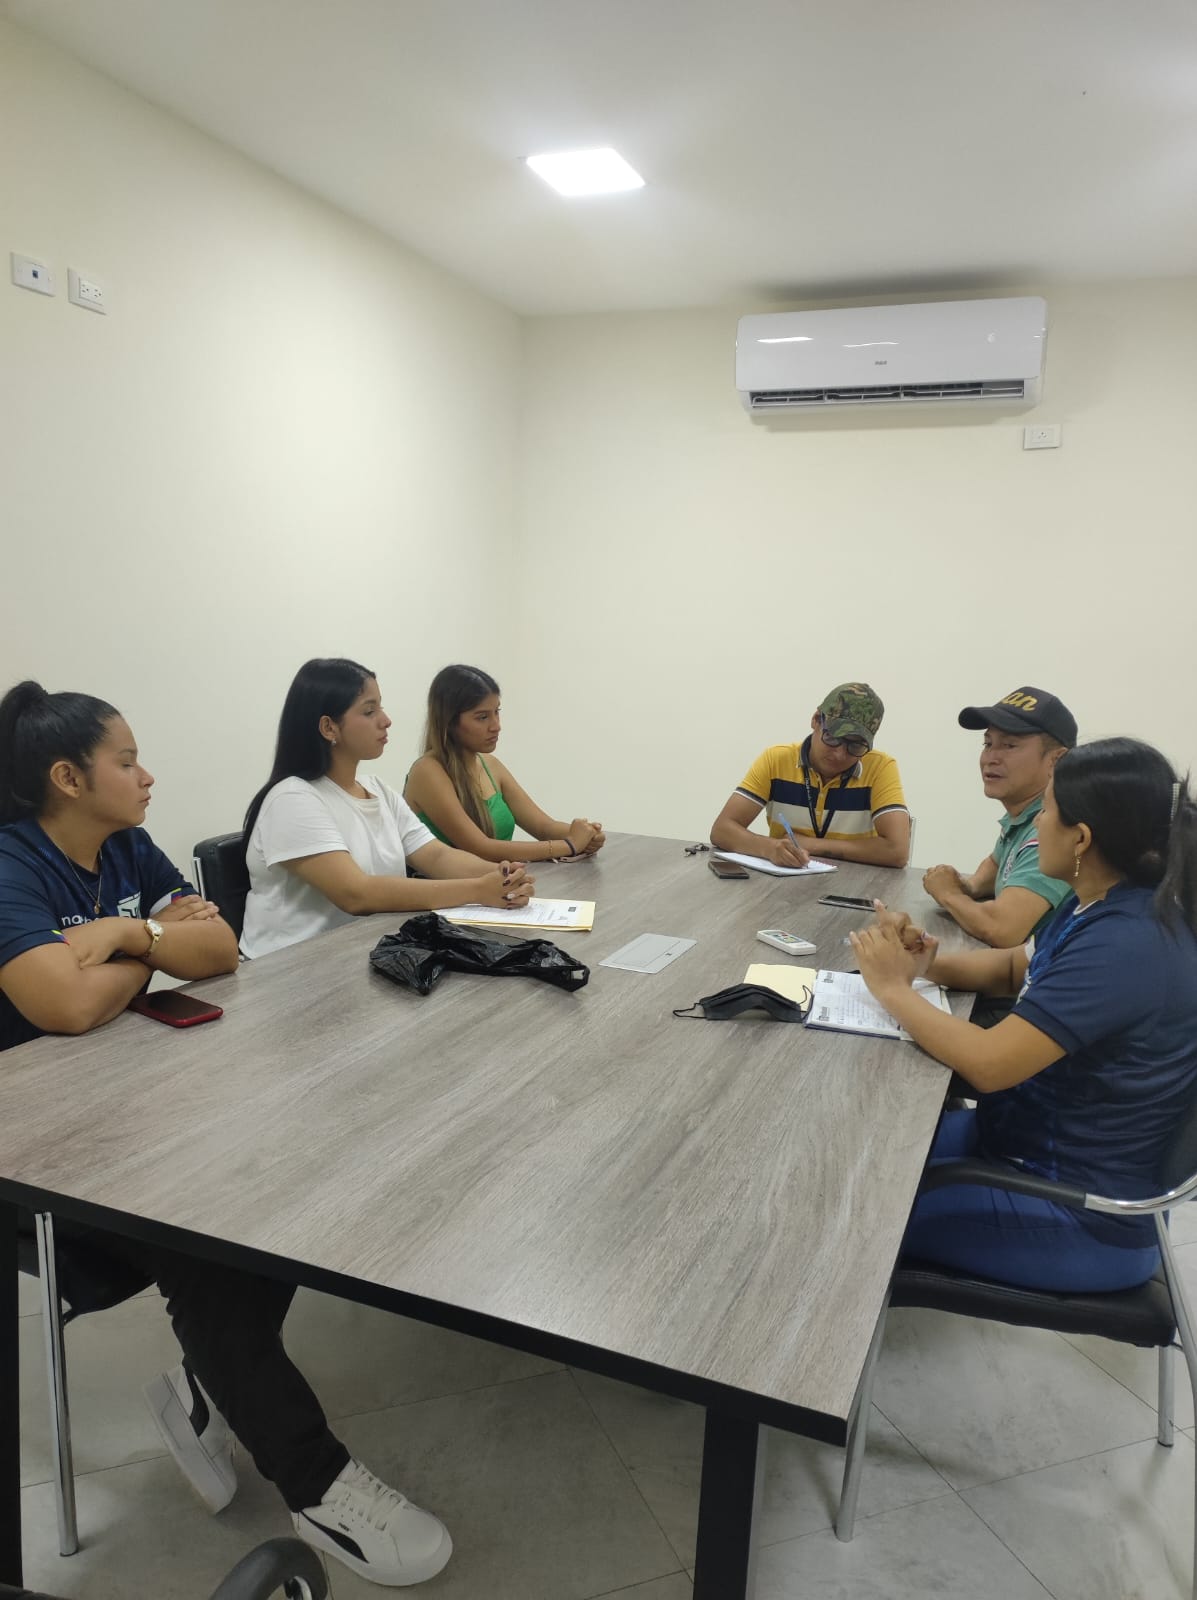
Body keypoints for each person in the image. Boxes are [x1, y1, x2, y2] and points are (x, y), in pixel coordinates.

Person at [0, 681, 451, 1586]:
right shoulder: (12, 863)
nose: (147, 776)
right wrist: (150, 948)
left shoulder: (124, 844)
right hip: (43, 1152)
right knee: (210, 1247)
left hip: (139, 1104)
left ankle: (210, 1382)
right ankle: (316, 1483)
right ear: (68, 778)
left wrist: (121, 936)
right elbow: (61, 1005)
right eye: (127, 761)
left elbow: (218, 950)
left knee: (293, 1166)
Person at [850, 738, 1197, 1293]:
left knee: (849, 1213)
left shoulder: (1128, 944)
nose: (1036, 826)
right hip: (1015, 1143)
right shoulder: (1099, 899)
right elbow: (1017, 967)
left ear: (1081, 838)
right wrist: (925, 965)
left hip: (1076, 1213)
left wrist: (892, 988)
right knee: (858, 1150)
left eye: (1048, 812)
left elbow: (989, 1065)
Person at [241, 659, 536, 960]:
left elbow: (436, 856)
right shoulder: (292, 799)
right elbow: (356, 894)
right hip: (288, 970)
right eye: (369, 711)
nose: (386, 720)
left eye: (380, 707)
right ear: (329, 727)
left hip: (364, 955)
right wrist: (477, 890)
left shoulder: (377, 789)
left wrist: (502, 875)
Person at [923, 686, 1077, 947]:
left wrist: (949, 894)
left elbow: (1003, 928)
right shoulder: (1026, 814)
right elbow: (996, 863)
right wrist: (970, 886)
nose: (990, 758)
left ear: (1056, 760)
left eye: (1009, 745)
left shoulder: (1056, 827)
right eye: (988, 744)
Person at [403, 664, 604, 864]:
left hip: (501, 881)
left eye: (496, 712)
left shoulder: (490, 765)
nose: (496, 726)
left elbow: (543, 826)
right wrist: (570, 844)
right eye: (482, 717)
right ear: (449, 722)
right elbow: (480, 848)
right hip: (453, 885)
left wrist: (585, 834)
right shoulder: (427, 772)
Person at [709, 683, 910, 867]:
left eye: (856, 745)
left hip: (855, 885)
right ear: (815, 720)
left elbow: (898, 852)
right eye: (833, 737)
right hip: (783, 883)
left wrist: (812, 845)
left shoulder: (880, 767)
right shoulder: (776, 760)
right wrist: (769, 848)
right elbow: (722, 830)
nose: (840, 754)